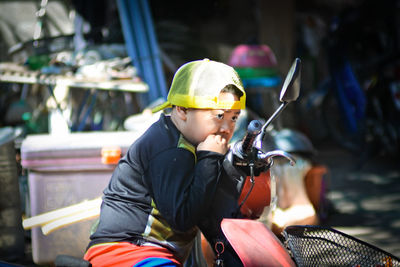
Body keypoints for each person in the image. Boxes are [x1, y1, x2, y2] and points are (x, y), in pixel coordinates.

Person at [84, 58, 246, 267]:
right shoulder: (170, 151)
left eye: (234, 118)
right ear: (182, 110)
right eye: (219, 115)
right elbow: (183, 219)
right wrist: (210, 159)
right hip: (127, 251)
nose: (226, 128)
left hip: (150, 252)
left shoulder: (193, 143)